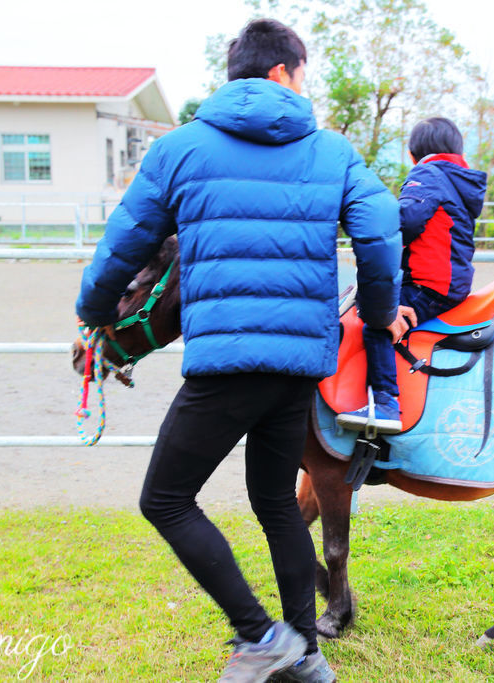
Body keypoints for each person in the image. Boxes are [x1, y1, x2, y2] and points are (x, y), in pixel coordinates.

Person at [76, 18, 407, 683]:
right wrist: (375, 315)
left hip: (226, 363)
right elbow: (378, 234)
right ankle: (306, 655)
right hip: (297, 365)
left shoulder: (178, 149)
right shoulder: (332, 151)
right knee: (276, 501)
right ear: (285, 72)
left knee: (165, 498)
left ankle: (263, 637)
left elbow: (124, 246)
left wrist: (91, 312)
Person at [336, 117, 488, 434]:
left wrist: (362, 214)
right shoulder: (458, 179)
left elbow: (405, 219)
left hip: (428, 284)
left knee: (376, 320)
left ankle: (386, 404)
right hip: (448, 282)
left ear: (412, 154)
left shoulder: (428, 174)